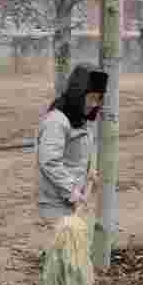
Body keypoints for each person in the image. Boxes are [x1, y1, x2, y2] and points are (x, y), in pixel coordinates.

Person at [37, 64, 109, 221]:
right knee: (63, 245)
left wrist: (89, 174)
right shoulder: (56, 121)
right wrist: (73, 192)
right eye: (92, 98)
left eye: (98, 99)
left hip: (73, 205)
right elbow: (50, 162)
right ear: (78, 94)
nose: (94, 104)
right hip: (56, 207)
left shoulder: (80, 121)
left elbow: (77, 158)